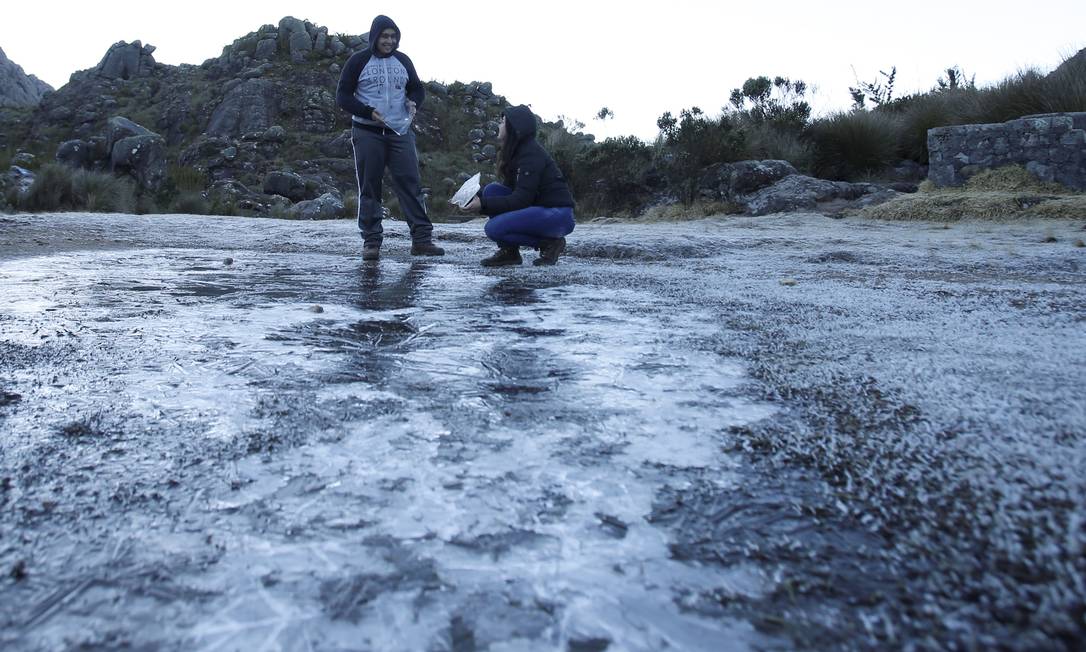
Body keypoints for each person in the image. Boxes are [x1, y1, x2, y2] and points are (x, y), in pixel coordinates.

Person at [335, 15, 444, 261]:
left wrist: (414, 101)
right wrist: (367, 112)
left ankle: (422, 240)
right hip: (366, 132)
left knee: (411, 184)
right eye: (385, 36)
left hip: (400, 132)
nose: (389, 41)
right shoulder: (358, 61)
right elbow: (342, 96)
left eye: (393, 36)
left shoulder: (403, 60)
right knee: (370, 186)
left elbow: (417, 87)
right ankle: (371, 242)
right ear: (375, 36)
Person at [461, 105, 575, 266]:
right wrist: (475, 199)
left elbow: (521, 200)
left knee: (493, 229)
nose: (498, 125)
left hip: (558, 214)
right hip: (540, 209)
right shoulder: (515, 152)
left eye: (502, 122)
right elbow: (510, 194)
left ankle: (549, 243)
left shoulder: (531, 154)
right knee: (492, 190)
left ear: (514, 127)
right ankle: (510, 252)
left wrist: (482, 206)